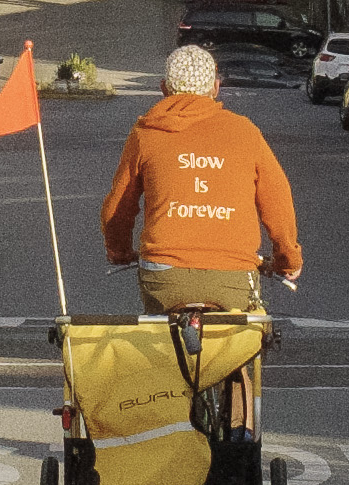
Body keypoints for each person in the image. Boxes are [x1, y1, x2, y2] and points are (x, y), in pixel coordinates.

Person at [100, 43, 306, 316]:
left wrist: (119, 251)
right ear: (215, 88)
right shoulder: (245, 132)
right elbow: (277, 200)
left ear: (164, 88)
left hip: (164, 275)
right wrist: (287, 259)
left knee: (164, 340)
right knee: (240, 343)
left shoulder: (145, 134)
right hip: (232, 274)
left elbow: (118, 207)